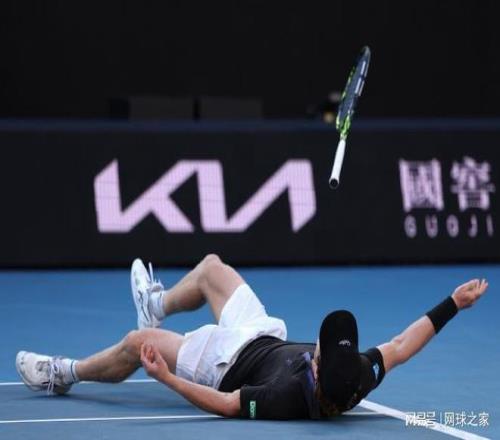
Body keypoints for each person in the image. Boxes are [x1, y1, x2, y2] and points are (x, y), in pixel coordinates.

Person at [16, 254, 488, 419]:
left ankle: (62, 373)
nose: (320, 344)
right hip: (265, 336)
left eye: (321, 347)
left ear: (317, 366)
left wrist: (166, 378)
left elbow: (226, 404)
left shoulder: (285, 395)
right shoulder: (359, 375)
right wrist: (453, 303)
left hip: (224, 363)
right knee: (211, 268)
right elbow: (402, 346)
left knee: (136, 343)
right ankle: (155, 305)